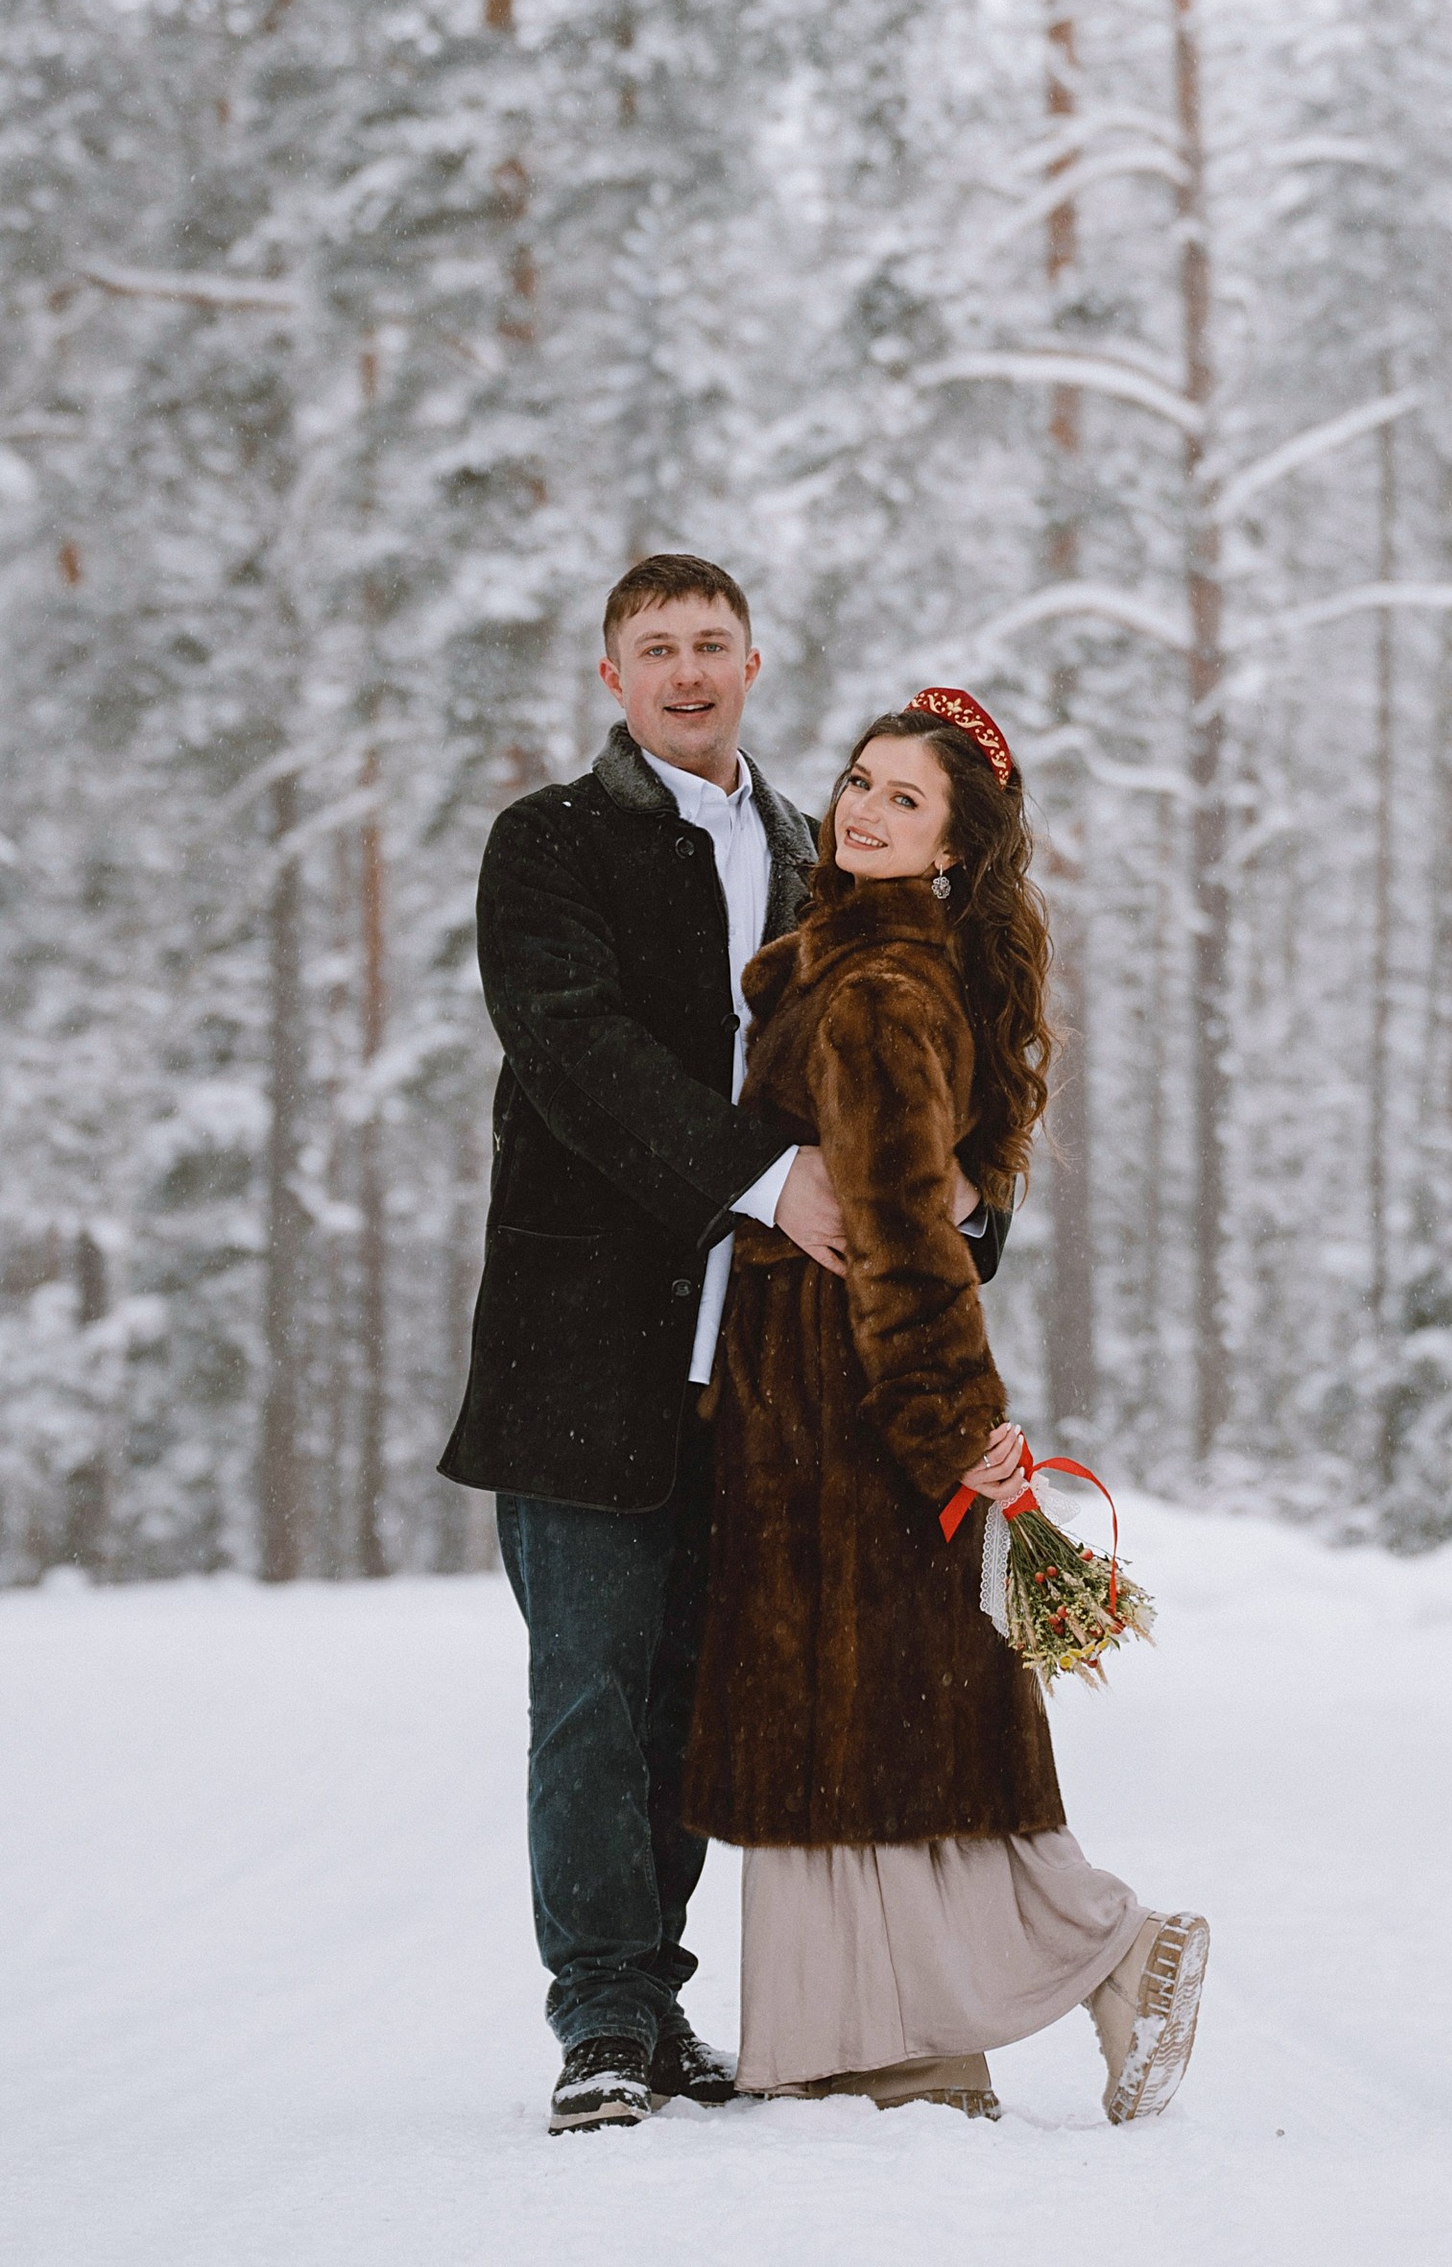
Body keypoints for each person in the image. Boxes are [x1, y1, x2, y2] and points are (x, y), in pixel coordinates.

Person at [438, 559, 1011, 2134]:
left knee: (694, 1700)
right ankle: (605, 2018)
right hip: (581, 1361)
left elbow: (911, 1060)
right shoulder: (549, 847)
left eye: (711, 645)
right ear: (609, 677)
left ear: (755, 663)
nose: (686, 672)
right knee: (591, 1697)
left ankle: (664, 1998)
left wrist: (964, 1195)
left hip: (766, 1381)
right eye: (654, 650)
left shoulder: (817, 856)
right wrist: (771, 1179)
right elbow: (576, 1053)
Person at [682, 688, 1209, 2127]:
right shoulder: (853, 971)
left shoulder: (877, 995)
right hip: (805, 1402)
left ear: (951, 855)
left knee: (890, 1724)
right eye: (859, 781)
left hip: (852, 1408)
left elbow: (911, 1233)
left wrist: (946, 1434)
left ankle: (1111, 1948)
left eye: (903, 801)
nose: (860, 807)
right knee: (867, 1740)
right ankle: (903, 2043)